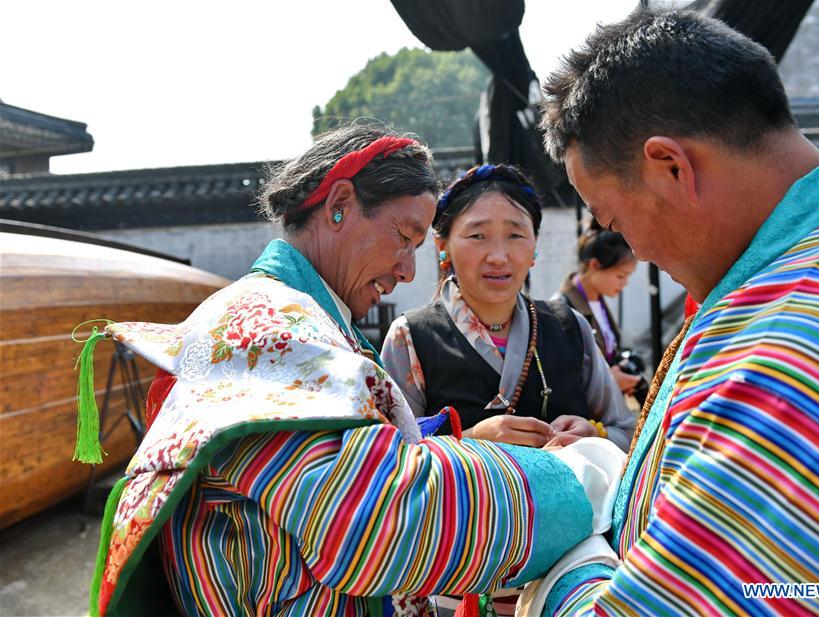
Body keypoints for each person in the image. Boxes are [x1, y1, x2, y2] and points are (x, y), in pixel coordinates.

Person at [77, 124, 627, 617]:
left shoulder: (294, 321)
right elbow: (378, 519)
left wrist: (454, 442)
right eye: (404, 237)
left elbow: (343, 456)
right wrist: (579, 480)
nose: (407, 270)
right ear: (340, 204)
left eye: (516, 235)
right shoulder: (271, 332)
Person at [527, 9, 819, 616]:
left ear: (672, 167)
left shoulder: (785, 363)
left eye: (616, 221)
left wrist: (575, 560)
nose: (638, 252)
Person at [381, 164, 635, 453]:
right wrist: (472, 441)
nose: (499, 257)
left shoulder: (570, 326)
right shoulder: (410, 338)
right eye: (477, 236)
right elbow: (392, 458)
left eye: (515, 235)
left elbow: (627, 431)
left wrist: (594, 435)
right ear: (443, 245)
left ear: (535, 245)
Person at [553, 226, 643, 398]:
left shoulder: (597, 300)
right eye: (621, 275)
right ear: (594, 265)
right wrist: (609, 380)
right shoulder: (561, 310)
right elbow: (561, 380)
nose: (625, 283)